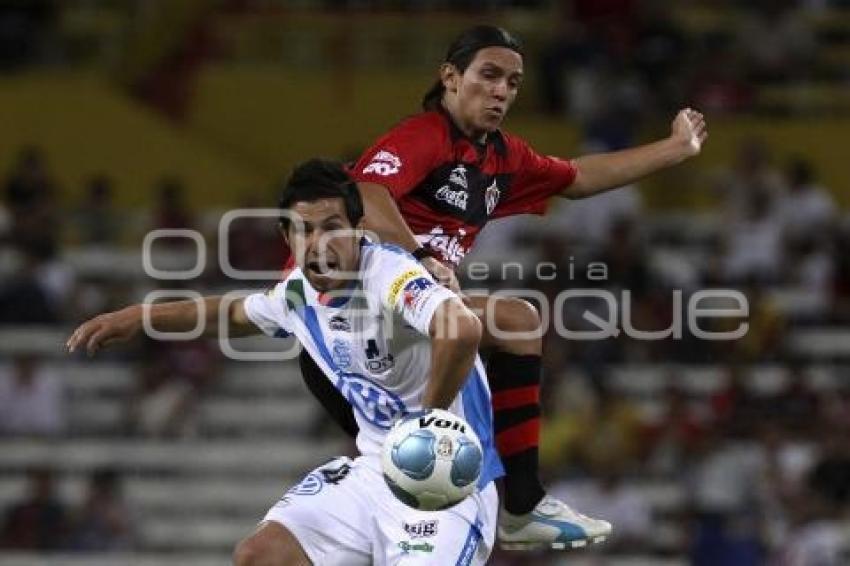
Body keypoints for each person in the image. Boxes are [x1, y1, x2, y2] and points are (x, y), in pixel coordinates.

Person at [295, 24, 706, 548]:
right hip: (343, 316)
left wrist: (675, 147)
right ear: (450, 77)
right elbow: (368, 192)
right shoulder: (424, 135)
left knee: (413, 471)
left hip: (394, 331)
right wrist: (420, 257)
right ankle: (519, 505)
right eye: (488, 75)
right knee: (512, 326)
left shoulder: (502, 159)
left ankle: (501, 507)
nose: (501, 91)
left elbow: (577, 178)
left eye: (512, 82)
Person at [67, 159, 512, 564]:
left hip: (447, 483)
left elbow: (462, 328)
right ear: (288, 238)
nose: (320, 243)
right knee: (260, 556)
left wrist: (426, 427)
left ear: (359, 229)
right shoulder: (298, 293)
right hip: (374, 474)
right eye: (305, 230)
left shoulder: (388, 273)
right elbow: (232, 313)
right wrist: (139, 316)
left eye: (333, 227)